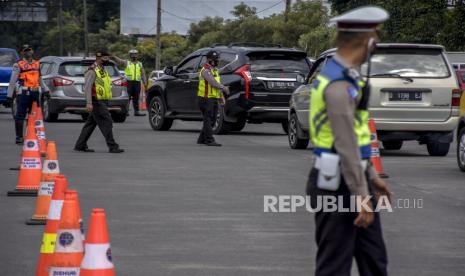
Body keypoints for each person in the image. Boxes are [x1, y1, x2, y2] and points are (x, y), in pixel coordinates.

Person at [306, 6, 393, 276]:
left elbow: (356, 136)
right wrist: (362, 198)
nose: (377, 42)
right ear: (366, 40)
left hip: (353, 179)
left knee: (374, 261)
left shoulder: (347, 77)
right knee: (335, 267)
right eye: (376, 35)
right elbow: (344, 145)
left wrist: (371, 175)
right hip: (337, 184)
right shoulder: (337, 85)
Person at [74, 51, 124, 153]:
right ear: (98, 58)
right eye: (105, 58)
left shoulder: (102, 69)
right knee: (107, 122)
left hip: (103, 100)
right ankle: (112, 146)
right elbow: (87, 87)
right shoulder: (92, 70)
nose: (107, 60)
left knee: (91, 123)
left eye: (107, 58)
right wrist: (89, 103)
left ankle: (80, 144)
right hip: (96, 101)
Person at [7, 45, 44, 144]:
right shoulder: (18, 64)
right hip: (23, 92)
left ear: (32, 51)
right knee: (20, 115)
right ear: (22, 53)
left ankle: (31, 135)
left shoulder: (37, 64)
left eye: (29, 50)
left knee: (34, 115)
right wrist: (9, 95)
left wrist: (46, 90)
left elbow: (40, 78)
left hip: (35, 92)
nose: (28, 52)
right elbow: (12, 81)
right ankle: (19, 137)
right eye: (26, 51)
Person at [197, 50, 229, 146]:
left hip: (213, 98)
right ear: (210, 60)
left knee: (212, 119)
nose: (217, 61)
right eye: (215, 59)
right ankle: (209, 140)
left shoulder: (214, 70)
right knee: (208, 119)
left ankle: (201, 139)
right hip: (205, 98)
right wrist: (224, 88)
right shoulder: (205, 70)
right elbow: (213, 83)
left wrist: (221, 97)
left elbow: (216, 84)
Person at [112, 49, 147, 116]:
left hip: (137, 83)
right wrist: (114, 57)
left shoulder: (140, 64)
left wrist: (145, 82)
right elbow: (119, 61)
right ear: (130, 55)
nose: (134, 56)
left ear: (137, 55)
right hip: (128, 82)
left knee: (136, 98)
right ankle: (126, 111)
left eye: (135, 54)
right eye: (132, 54)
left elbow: (143, 74)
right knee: (127, 97)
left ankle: (136, 111)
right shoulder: (127, 62)